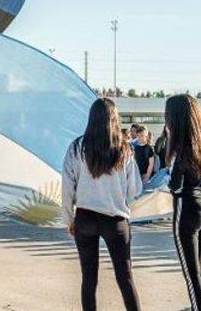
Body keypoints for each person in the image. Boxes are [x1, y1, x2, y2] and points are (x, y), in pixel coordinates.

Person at [62, 98, 142, 311]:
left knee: (88, 278)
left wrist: (69, 219)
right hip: (115, 219)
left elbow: (67, 188)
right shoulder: (124, 149)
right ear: (114, 119)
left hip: (85, 217)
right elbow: (134, 190)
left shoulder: (77, 148)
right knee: (125, 279)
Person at [165, 94, 201, 311]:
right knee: (197, 271)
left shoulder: (180, 146)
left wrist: (167, 182)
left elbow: (176, 186)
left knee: (190, 274)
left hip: (187, 209)